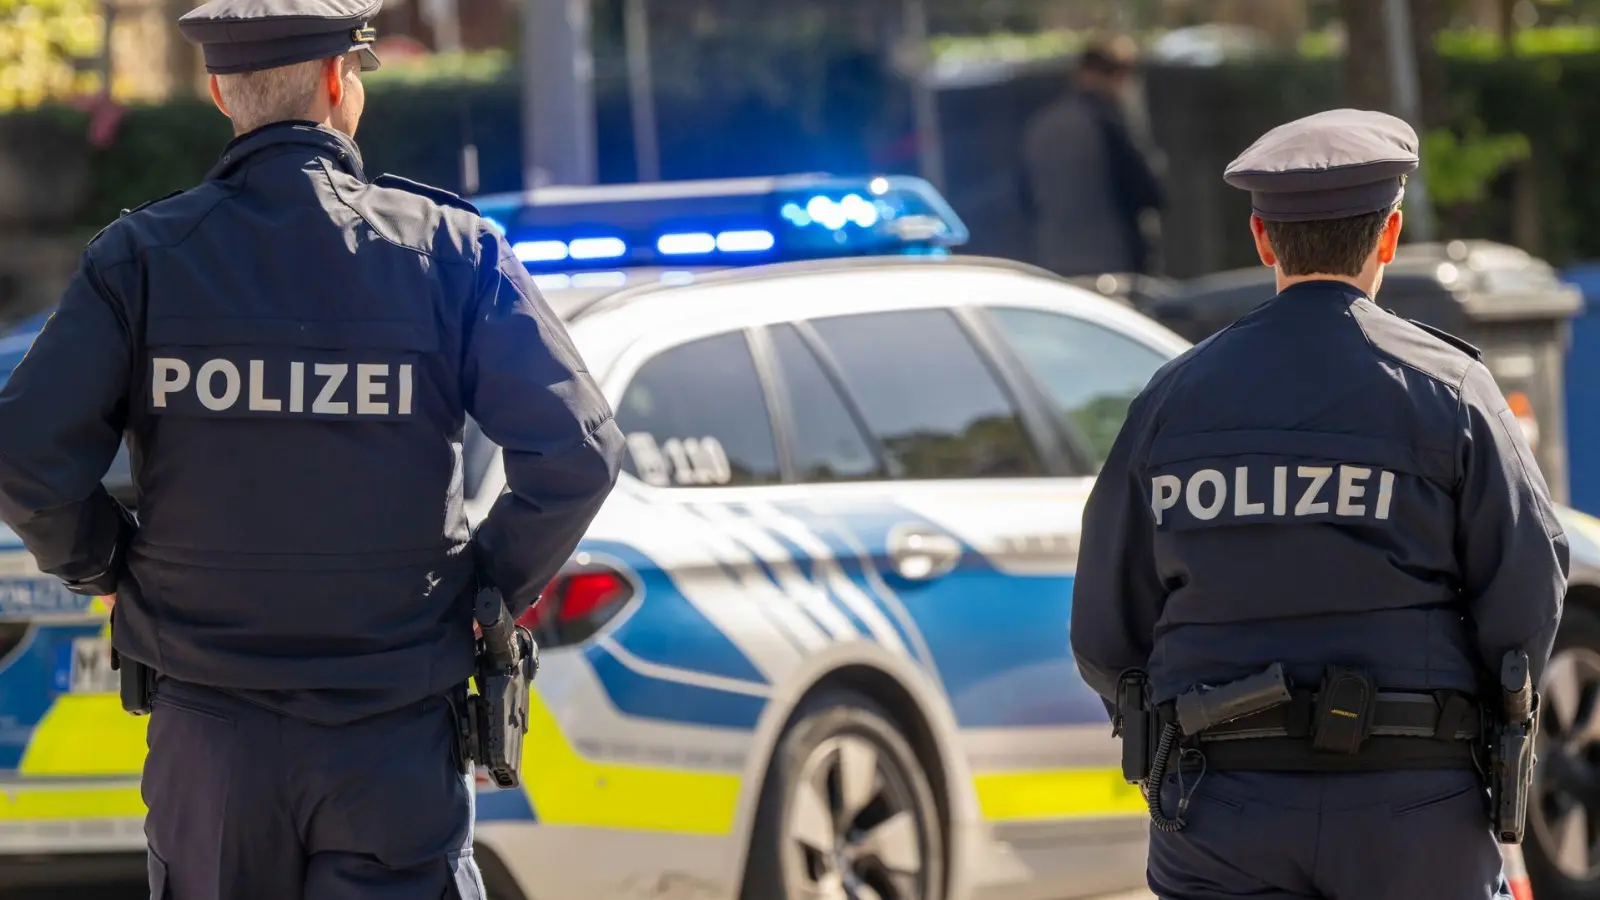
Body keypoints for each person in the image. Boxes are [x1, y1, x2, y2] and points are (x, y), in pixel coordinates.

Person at [0, 0, 624, 895]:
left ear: (219, 91)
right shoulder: (451, 254)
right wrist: (484, 585)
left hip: (209, 742)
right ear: (340, 82)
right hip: (394, 739)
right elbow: (578, 454)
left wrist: (111, 564)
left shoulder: (142, 259)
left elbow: (24, 456)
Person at [1070, 108, 1568, 900]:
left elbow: (1105, 631)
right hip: (1413, 810)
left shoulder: (1171, 402)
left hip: (1220, 807)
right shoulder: (1453, 393)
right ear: (1390, 235)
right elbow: (1528, 600)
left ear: (1263, 241)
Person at [1019, 34, 1167, 278]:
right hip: (1114, 265)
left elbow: (1025, 199)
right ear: (1118, 76)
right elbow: (1148, 191)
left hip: (1055, 260)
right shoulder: (1109, 124)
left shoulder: (1041, 125)